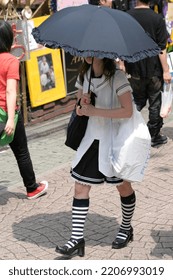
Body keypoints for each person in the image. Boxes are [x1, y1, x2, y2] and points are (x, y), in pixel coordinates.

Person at [55, 56, 138, 257]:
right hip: (92, 139)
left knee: (123, 186)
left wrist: (95, 110)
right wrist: (82, 106)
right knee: (80, 186)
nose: (88, 54)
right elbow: (80, 110)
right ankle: (76, 239)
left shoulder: (118, 77)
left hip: (114, 140)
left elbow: (128, 112)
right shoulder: (84, 75)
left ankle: (126, 228)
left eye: (93, 50)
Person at [0, 21, 48, 199]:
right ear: (8, 39)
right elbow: (11, 90)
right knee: (21, 152)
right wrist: (11, 119)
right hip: (6, 112)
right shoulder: (11, 61)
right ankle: (32, 188)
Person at [124, 0, 172, 147]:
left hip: (134, 68)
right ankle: (153, 135)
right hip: (154, 69)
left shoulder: (127, 16)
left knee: (137, 102)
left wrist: (122, 65)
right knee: (155, 103)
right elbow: (161, 48)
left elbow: (124, 43)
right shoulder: (157, 18)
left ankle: (130, 132)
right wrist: (166, 70)